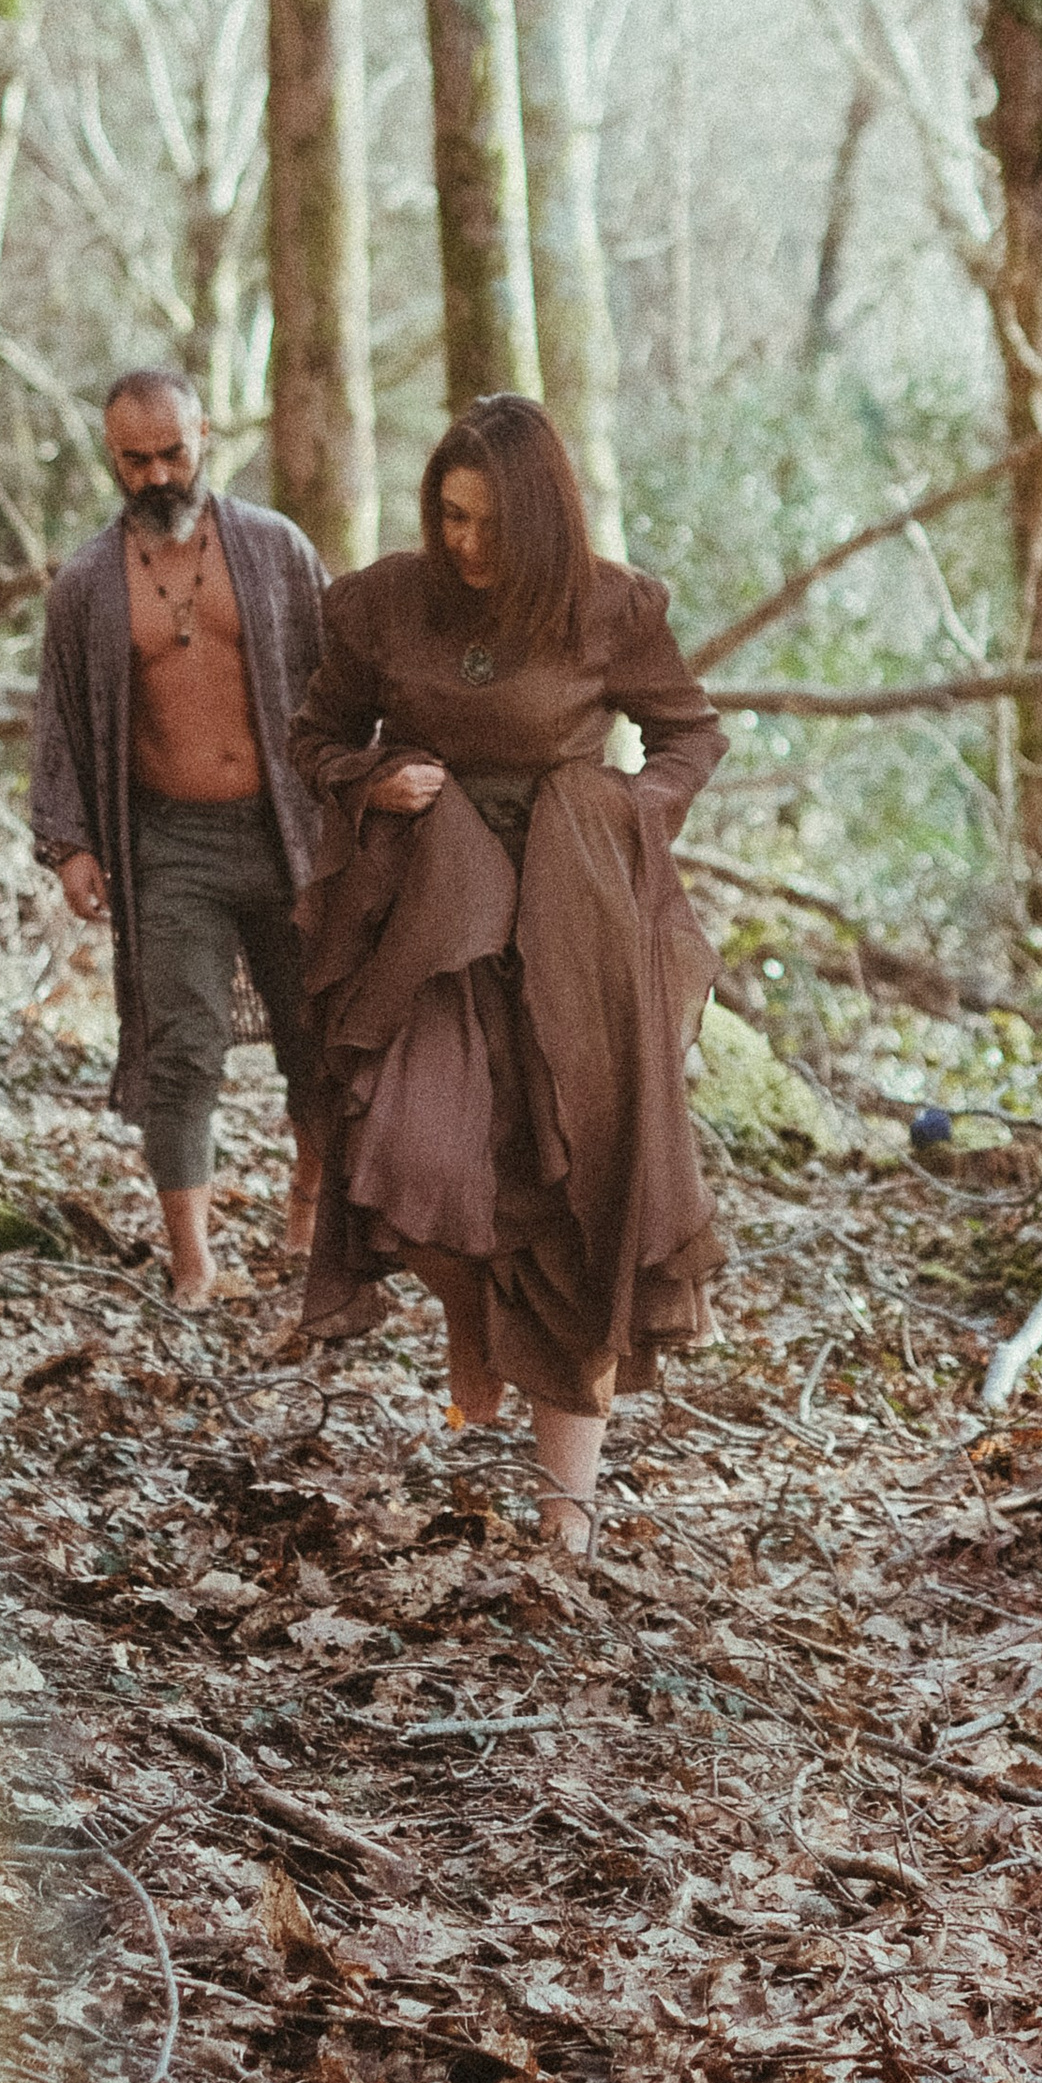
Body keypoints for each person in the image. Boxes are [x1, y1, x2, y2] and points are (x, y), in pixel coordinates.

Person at [289, 393, 727, 1552]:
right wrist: (369, 782)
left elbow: (688, 734)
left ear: (539, 520)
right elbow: (316, 731)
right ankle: (468, 1313)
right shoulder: (385, 602)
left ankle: (564, 1525)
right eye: (448, 516)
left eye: (486, 522)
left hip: (577, 923)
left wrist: (630, 813)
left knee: (578, 1195)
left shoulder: (609, 606)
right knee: (402, 1145)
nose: (464, 544)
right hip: (433, 922)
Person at [30, 368, 328, 1303]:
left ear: (205, 433)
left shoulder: (277, 550)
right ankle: (193, 1262)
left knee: (317, 1033)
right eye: (136, 459)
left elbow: (340, 689)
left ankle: (311, 1210)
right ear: (111, 456)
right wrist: (74, 844)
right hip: (168, 846)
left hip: (287, 831)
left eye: (173, 452)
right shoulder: (86, 584)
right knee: (182, 1046)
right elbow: (61, 722)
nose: (158, 474)